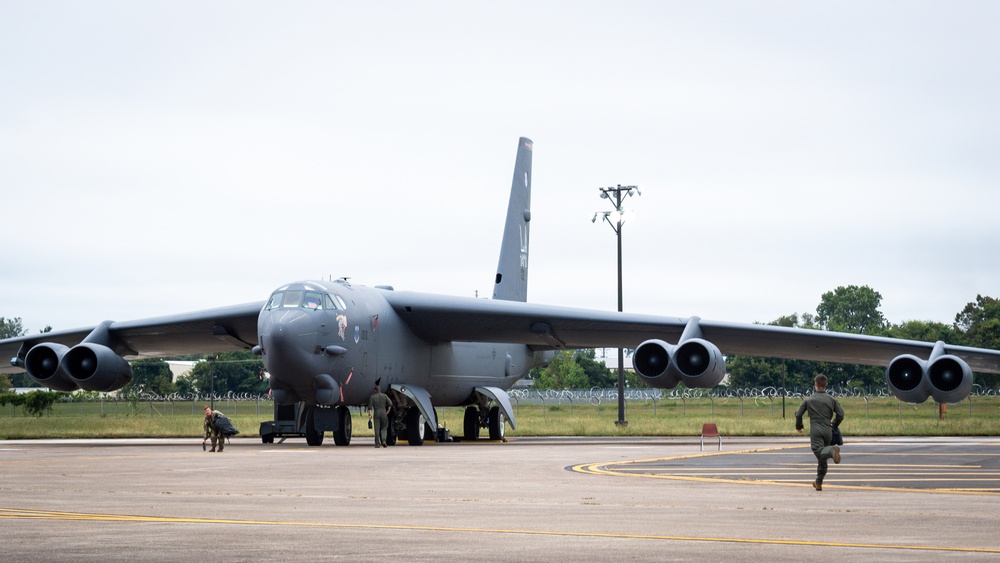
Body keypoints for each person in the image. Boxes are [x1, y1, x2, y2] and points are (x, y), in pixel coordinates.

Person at [796, 374, 845, 491]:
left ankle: (833, 450)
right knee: (822, 458)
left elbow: (798, 414)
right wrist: (834, 424)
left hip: (816, 430)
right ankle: (818, 482)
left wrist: (799, 426)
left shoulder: (809, 400)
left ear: (815, 385)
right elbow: (841, 414)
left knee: (819, 451)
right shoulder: (831, 399)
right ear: (826, 385)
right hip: (828, 430)